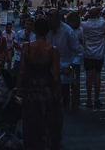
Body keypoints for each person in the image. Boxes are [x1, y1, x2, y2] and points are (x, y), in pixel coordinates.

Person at [18, 17, 63, 150]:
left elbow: (21, 71)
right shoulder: (52, 50)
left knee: (30, 124)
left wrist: (19, 88)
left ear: (35, 30)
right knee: (47, 125)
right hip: (47, 90)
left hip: (30, 89)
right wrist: (58, 93)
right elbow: (55, 75)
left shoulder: (26, 47)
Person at [46, 9, 83, 109]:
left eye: (51, 17)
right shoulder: (47, 30)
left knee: (64, 98)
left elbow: (79, 52)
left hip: (64, 70)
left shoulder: (68, 31)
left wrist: (71, 67)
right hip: (49, 71)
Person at [81, 6, 105, 109]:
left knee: (88, 77)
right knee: (97, 77)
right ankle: (96, 98)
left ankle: (89, 99)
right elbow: (103, 19)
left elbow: (79, 20)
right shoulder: (102, 23)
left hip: (88, 53)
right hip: (99, 53)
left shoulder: (84, 25)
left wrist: (84, 15)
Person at [65, 11, 83, 108]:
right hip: (77, 59)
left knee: (66, 81)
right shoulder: (80, 30)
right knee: (76, 81)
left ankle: (66, 100)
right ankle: (76, 101)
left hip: (67, 58)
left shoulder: (66, 30)